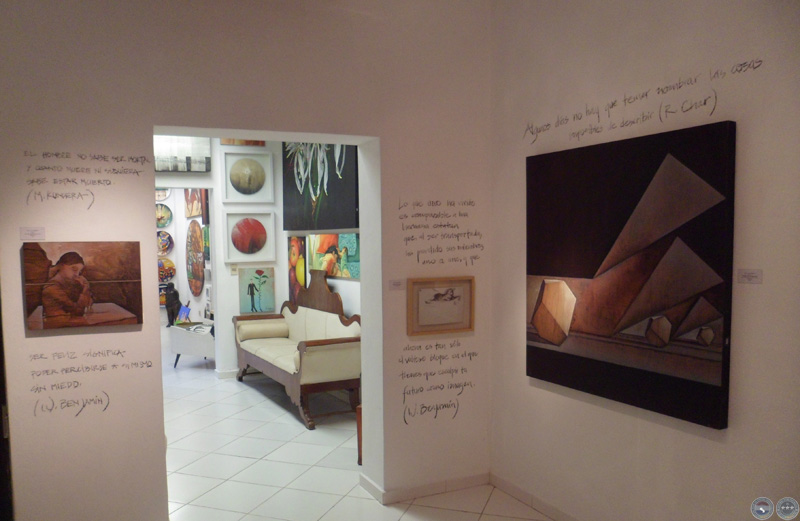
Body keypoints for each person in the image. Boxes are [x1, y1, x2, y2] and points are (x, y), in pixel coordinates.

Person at [41, 251, 93, 327]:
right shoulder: (52, 287)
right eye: (74, 269)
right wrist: (85, 288)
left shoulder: (71, 284)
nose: (77, 274)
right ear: (62, 266)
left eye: (79, 272)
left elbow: (86, 307)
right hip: (56, 325)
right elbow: (77, 312)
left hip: (68, 323)